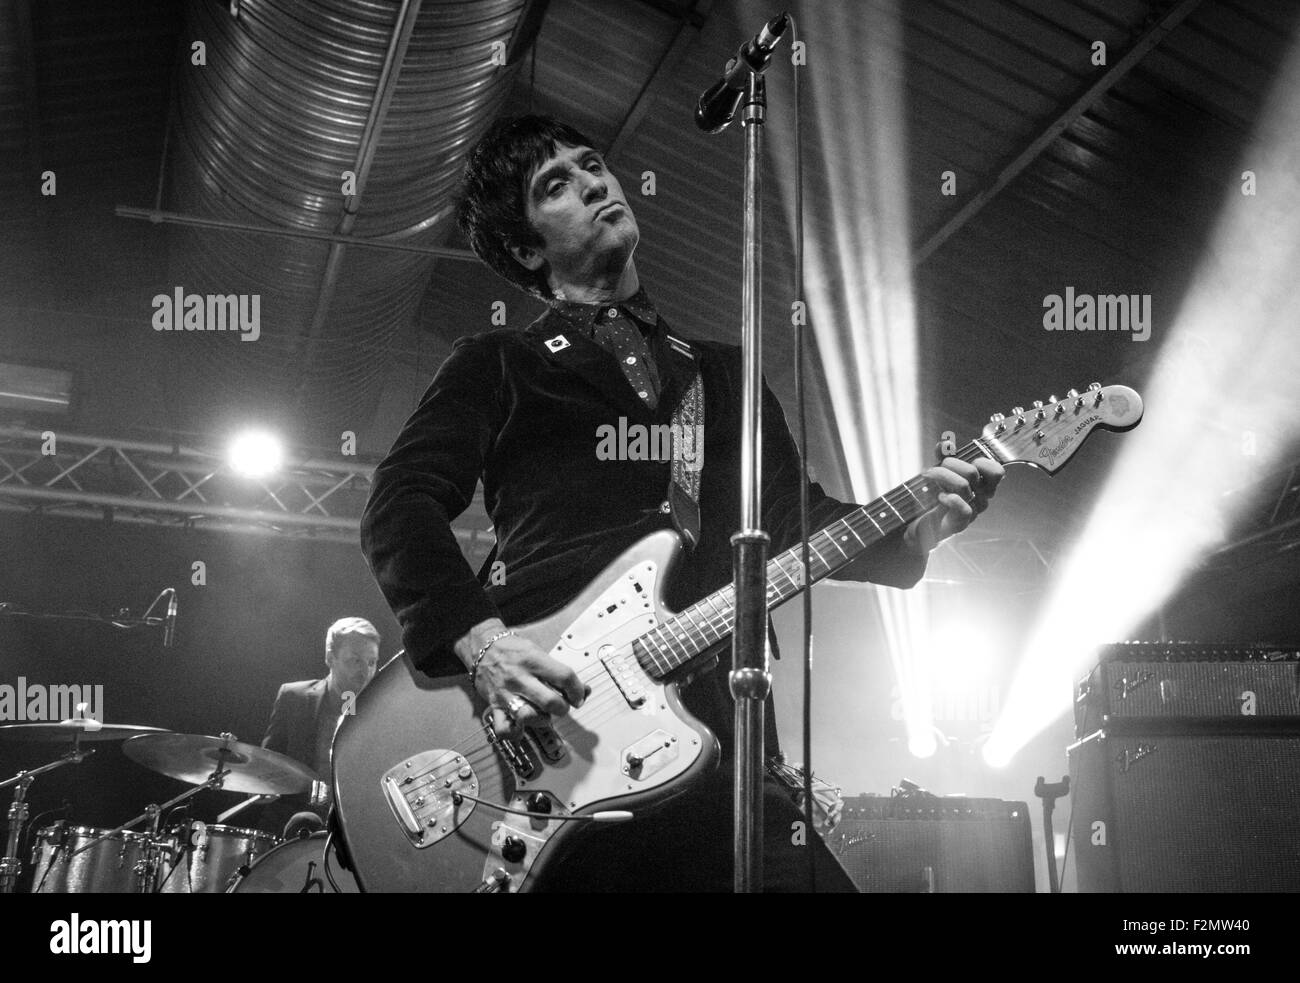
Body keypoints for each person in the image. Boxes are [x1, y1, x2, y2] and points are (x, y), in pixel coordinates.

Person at [359, 115, 1003, 891]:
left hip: (724, 739)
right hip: (563, 745)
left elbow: (797, 526)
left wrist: (915, 529)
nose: (595, 181)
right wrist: (482, 643)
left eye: (593, 163)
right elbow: (400, 504)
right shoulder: (503, 362)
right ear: (527, 249)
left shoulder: (729, 376)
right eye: (555, 184)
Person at [259, 617, 380, 831]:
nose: (365, 672)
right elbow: (266, 763)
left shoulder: (383, 711)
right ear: (330, 657)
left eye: (372, 662)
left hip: (354, 832)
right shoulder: (293, 697)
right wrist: (261, 785)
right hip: (292, 827)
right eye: (355, 661)